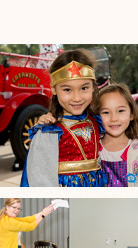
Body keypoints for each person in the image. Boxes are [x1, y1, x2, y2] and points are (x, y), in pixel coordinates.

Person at [21, 49, 107, 187]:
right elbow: (39, 180)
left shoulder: (98, 122)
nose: (77, 98)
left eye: (84, 88)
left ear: (93, 87)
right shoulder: (49, 132)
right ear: (54, 89)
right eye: (67, 89)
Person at [97, 84, 138, 187]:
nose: (114, 118)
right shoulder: (91, 149)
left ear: (131, 114)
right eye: (106, 112)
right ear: (97, 116)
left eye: (120, 111)